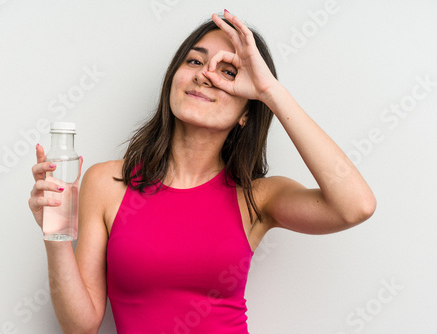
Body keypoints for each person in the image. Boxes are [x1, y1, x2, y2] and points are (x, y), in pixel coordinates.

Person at [28, 10, 376, 334]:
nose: (204, 74)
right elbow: (81, 325)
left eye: (229, 72)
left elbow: (355, 206)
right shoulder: (107, 182)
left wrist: (270, 91)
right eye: (195, 60)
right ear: (172, 82)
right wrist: (55, 231)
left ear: (246, 112)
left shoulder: (257, 197)